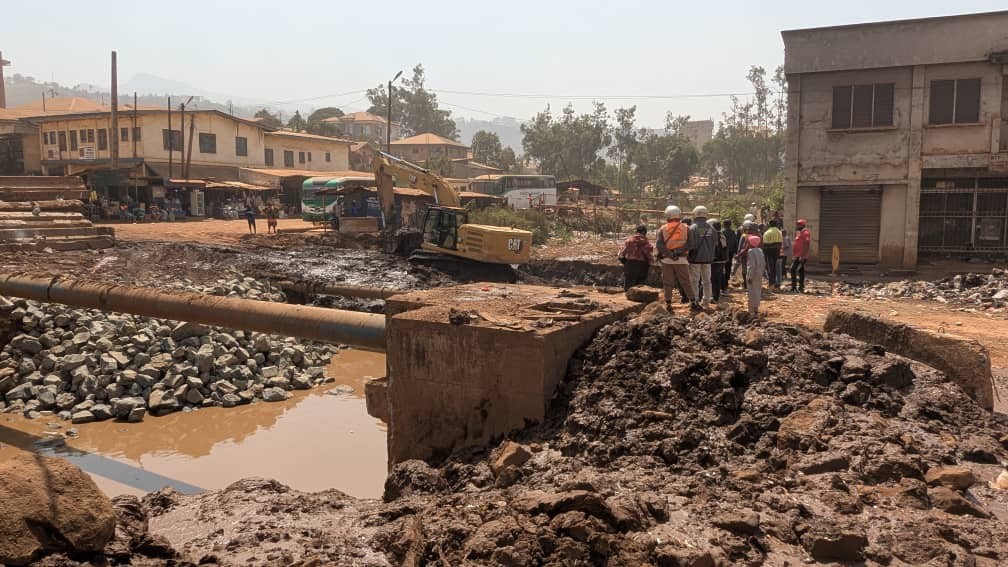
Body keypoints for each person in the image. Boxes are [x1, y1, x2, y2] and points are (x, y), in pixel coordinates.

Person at [656, 205, 698, 312]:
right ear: (679, 215)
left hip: (666, 260)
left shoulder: (662, 229)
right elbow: (690, 245)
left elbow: (659, 246)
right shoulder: (686, 228)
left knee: (668, 283)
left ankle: (668, 304)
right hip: (682, 260)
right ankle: (693, 302)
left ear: (667, 215)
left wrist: (670, 254)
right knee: (686, 282)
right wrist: (677, 252)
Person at [687, 206, 719, 308]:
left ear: (695, 214)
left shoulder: (692, 228)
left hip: (695, 259)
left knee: (695, 281)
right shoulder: (712, 229)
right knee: (707, 280)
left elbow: (690, 245)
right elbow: (715, 244)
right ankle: (706, 301)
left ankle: (695, 300)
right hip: (708, 259)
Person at [618, 225, 653, 291]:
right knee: (640, 287)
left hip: (630, 265)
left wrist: (624, 261)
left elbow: (622, 254)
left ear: (636, 231)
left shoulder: (628, 241)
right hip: (642, 266)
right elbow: (649, 256)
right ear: (644, 232)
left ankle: (628, 298)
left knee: (628, 287)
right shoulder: (646, 242)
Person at [746, 235, 766, 316]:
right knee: (757, 290)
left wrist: (750, 276)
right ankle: (756, 308)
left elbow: (752, 265)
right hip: (759, 273)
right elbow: (763, 263)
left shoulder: (750, 251)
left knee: (751, 292)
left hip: (753, 273)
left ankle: (751, 311)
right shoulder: (760, 250)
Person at [709, 219, 728, 303]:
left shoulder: (713, 236)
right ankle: (716, 296)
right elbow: (725, 247)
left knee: (713, 279)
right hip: (722, 260)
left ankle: (714, 297)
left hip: (715, 260)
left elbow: (714, 248)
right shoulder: (722, 235)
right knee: (718, 278)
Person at [791, 219, 811, 293]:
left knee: (793, 270)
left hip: (801, 256)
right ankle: (801, 287)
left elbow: (806, 245)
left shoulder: (805, 233)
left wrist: (802, 256)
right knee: (800, 270)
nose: (797, 226)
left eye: (798, 224)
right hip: (797, 256)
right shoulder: (799, 233)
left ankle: (794, 287)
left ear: (802, 225)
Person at [762, 220, 783, 289]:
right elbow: (780, 244)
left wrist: (764, 254)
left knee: (770, 268)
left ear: (769, 225)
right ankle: (776, 284)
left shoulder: (767, 233)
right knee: (775, 268)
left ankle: (771, 284)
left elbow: (765, 245)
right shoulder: (779, 232)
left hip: (769, 253)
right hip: (777, 252)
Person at [721, 219, 736, 292]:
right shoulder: (733, 232)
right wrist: (735, 251)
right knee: (728, 267)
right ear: (730, 224)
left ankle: (723, 283)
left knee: (722, 267)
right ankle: (726, 281)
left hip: (723, 253)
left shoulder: (722, 232)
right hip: (730, 253)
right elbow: (735, 242)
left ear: (724, 224)